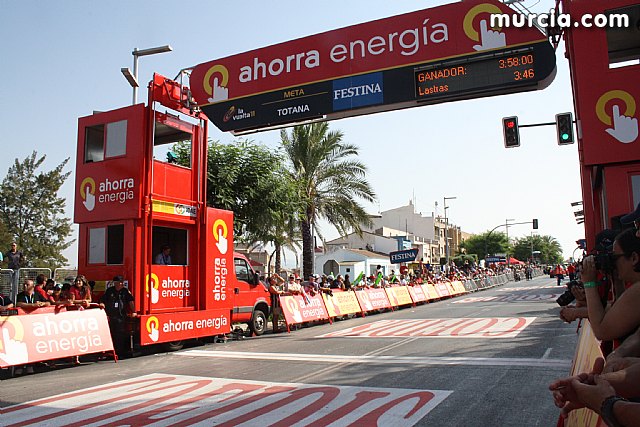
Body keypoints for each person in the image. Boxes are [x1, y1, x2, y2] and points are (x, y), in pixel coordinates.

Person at [581, 228, 640, 342]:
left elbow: (601, 331)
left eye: (614, 258)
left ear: (634, 258)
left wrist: (589, 283)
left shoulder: (637, 291)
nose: (613, 263)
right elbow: (620, 312)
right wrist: (617, 281)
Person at [100, 275, 137, 357]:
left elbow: (130, 301)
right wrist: (102, 304)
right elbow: (103, 300)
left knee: (120, 335)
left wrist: (134, 311)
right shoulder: (109, 291)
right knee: (111, 334)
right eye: (116, 282)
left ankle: (120, 352)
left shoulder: (125, 291)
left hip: (120, 316)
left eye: (120, 282)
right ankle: (111, 352)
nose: (118, 284)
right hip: (111, 315)